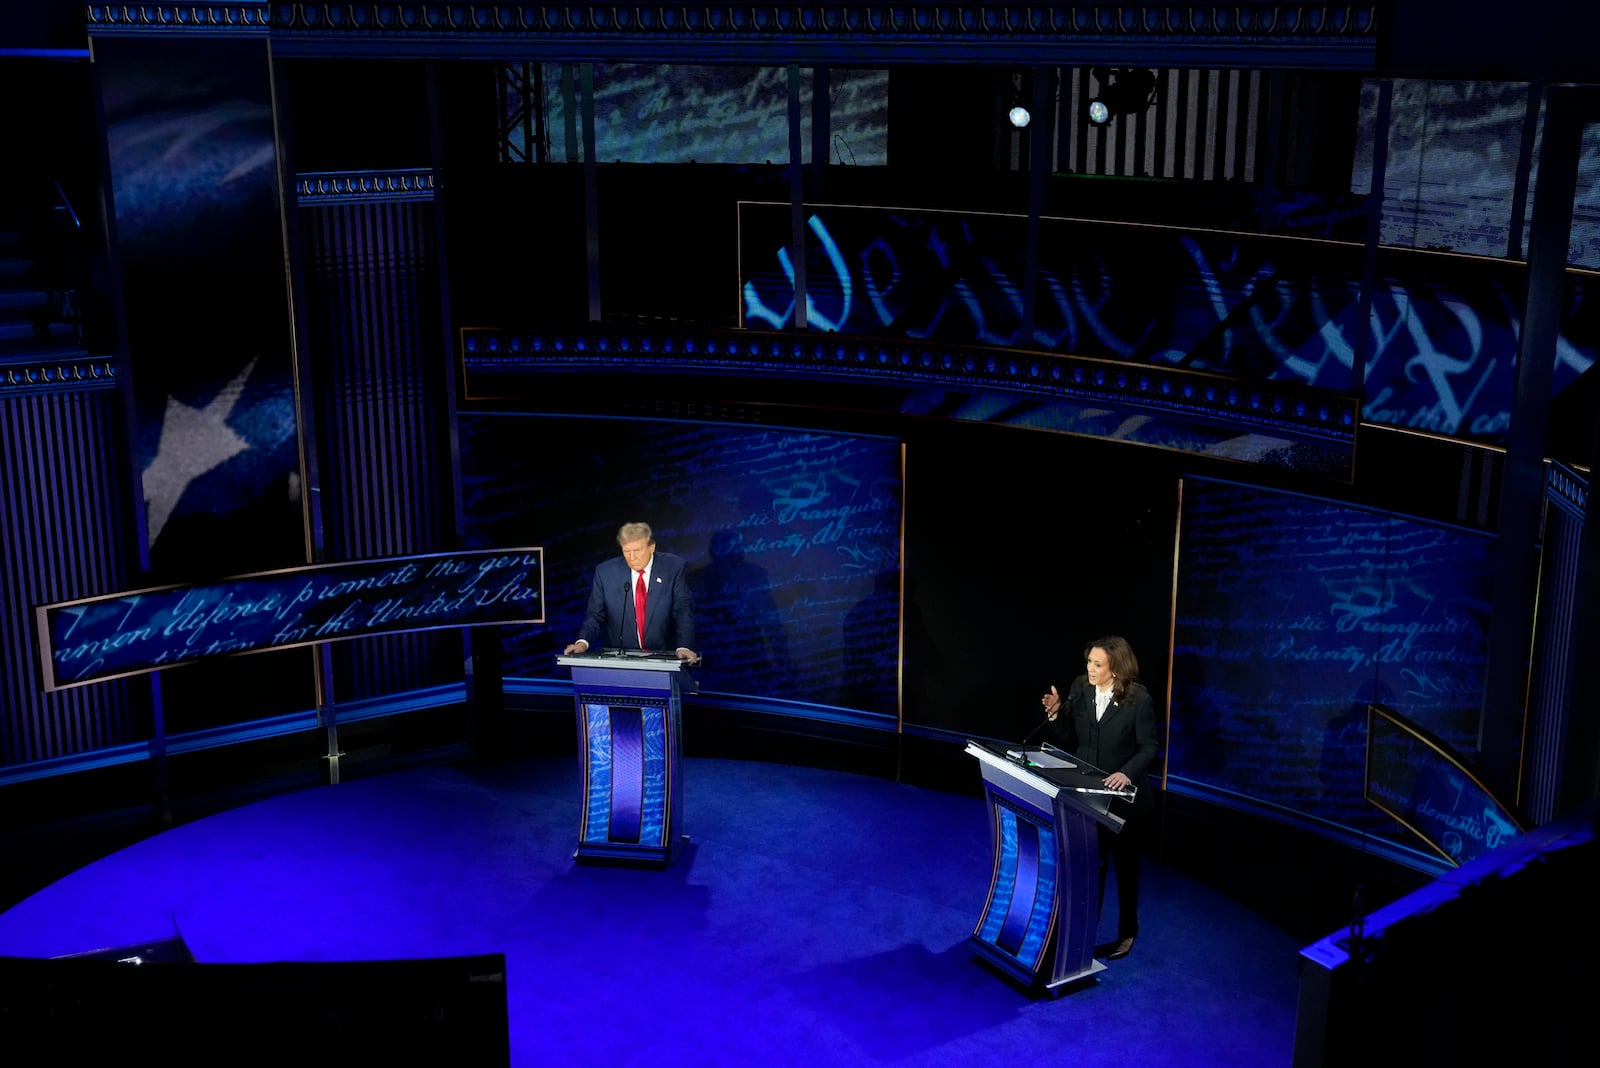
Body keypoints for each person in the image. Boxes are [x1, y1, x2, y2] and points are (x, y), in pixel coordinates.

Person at [1040, 634, 1160, 961]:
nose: (1090, 669)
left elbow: (1149, 746)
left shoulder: (1139, 700)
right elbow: (1068, 737)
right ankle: (1082, 931)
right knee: (1092, 865)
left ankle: (1127, 932)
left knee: (1124, 866)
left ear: (1116, 667)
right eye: (1088, 662)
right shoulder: (1081, 687)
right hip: (1086, 796)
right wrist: (1055, 715)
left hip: (1124, 800)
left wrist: (1126, 773)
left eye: (1097, 664)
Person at [564, 522, 698, 662]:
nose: (632, 557)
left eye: (637, 550)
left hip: (664, 657)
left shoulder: (673, 568)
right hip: (621, 660)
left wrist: (684, 646)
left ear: (652, 547)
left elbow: (683, 611)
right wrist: (582, 642)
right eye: (627, 551)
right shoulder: (606, 573)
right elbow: (595, 615)